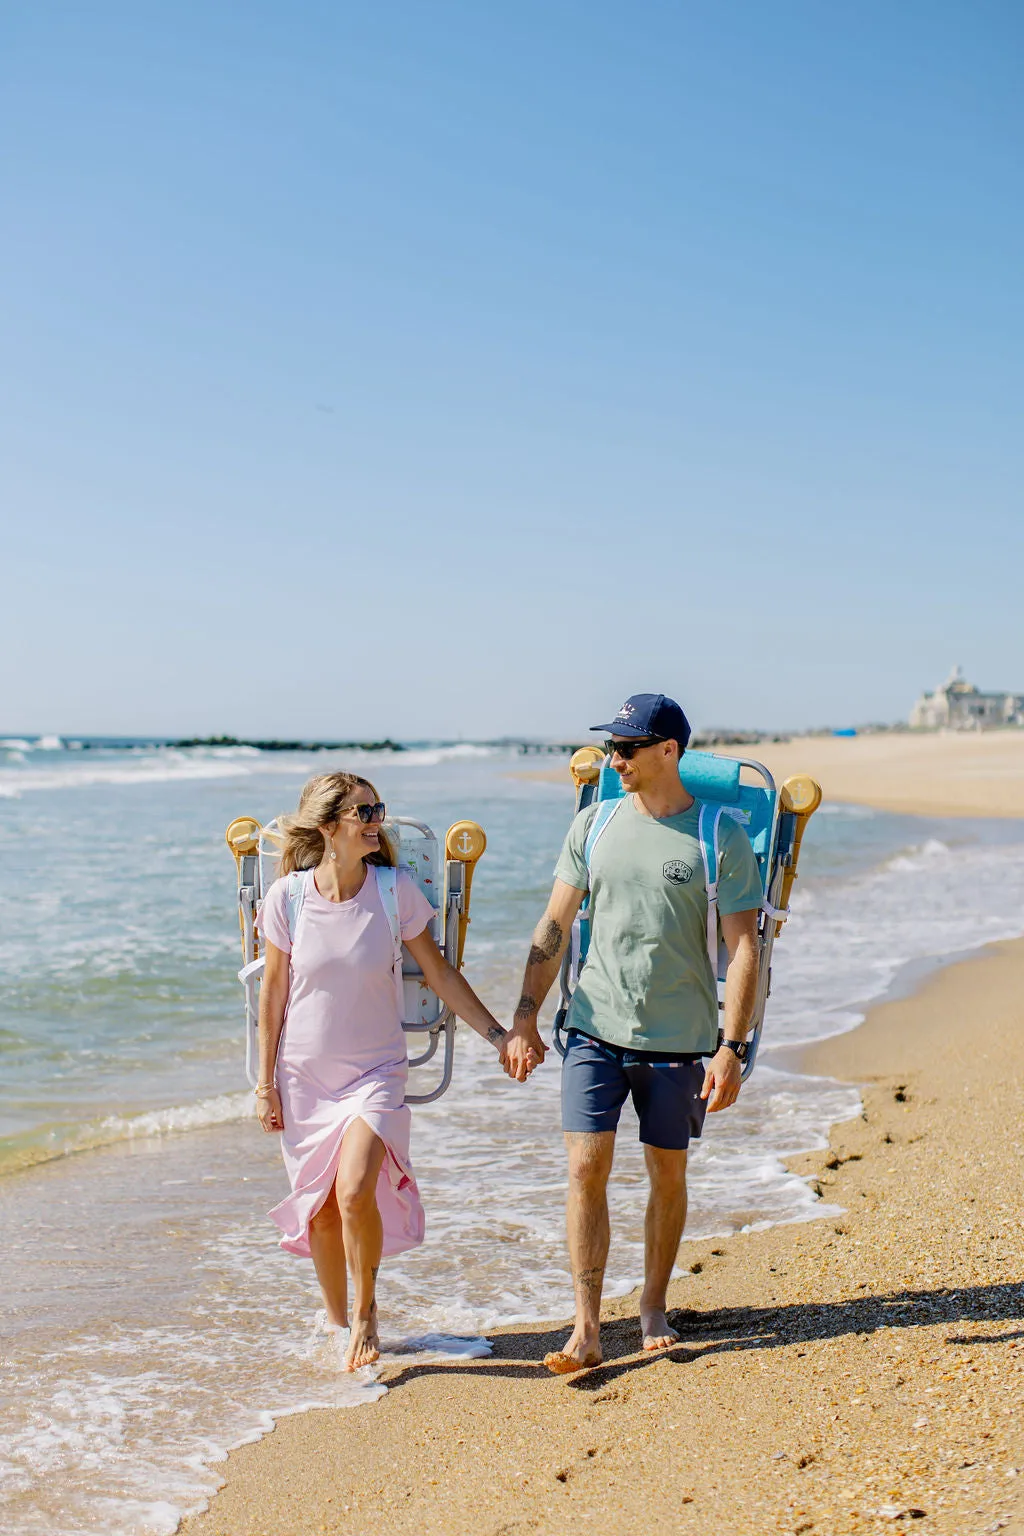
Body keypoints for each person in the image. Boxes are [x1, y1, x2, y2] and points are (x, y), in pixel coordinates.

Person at [501, 694, 763, 1372]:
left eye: (628, 748)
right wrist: (525, 1014)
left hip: (680, 1038)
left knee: (666, 1173)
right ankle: (585, 1327)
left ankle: (651, 1303)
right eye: (613, 747)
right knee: (585, 1167)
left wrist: (732, 1047)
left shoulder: (719, 836)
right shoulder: (593, 824)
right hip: (593, 1026)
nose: (614, 759)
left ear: (669, 751)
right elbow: (555, 924)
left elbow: (743, 950)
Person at [256, 771, 511, 1372]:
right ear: (328, 827)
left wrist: (499, 1035)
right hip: (304, 1077)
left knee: (353, 1191)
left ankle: (367, 1315)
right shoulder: (287, 898)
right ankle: (336, 1323)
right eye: (363, 812)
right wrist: (264, 1084)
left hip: (375, 1072)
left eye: (378, 809)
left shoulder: (395, 891)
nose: (377, 820)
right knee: (319, 1211)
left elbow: (441, 975)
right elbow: (272, 995)